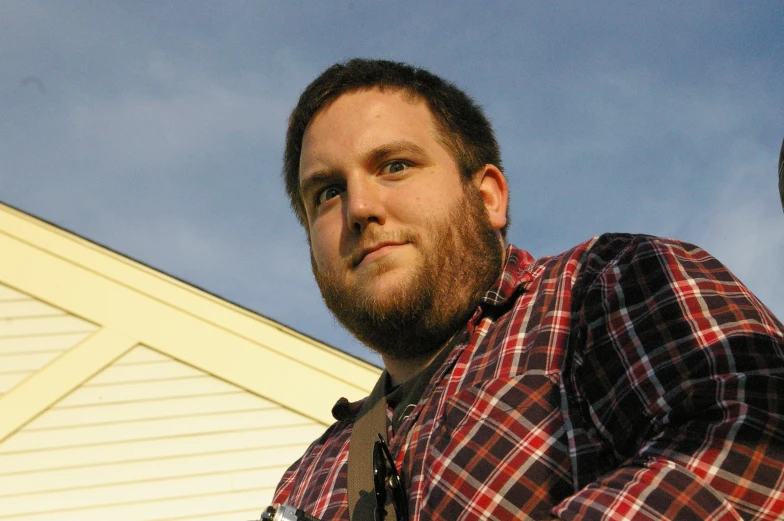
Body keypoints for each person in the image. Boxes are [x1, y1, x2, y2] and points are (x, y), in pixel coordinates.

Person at [272, 59, 784, 520]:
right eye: (327, 193)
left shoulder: (606, 284)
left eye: (395, 166)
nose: (359, 207)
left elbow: (755, 444)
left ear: (488, 196)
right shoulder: (309, 481)